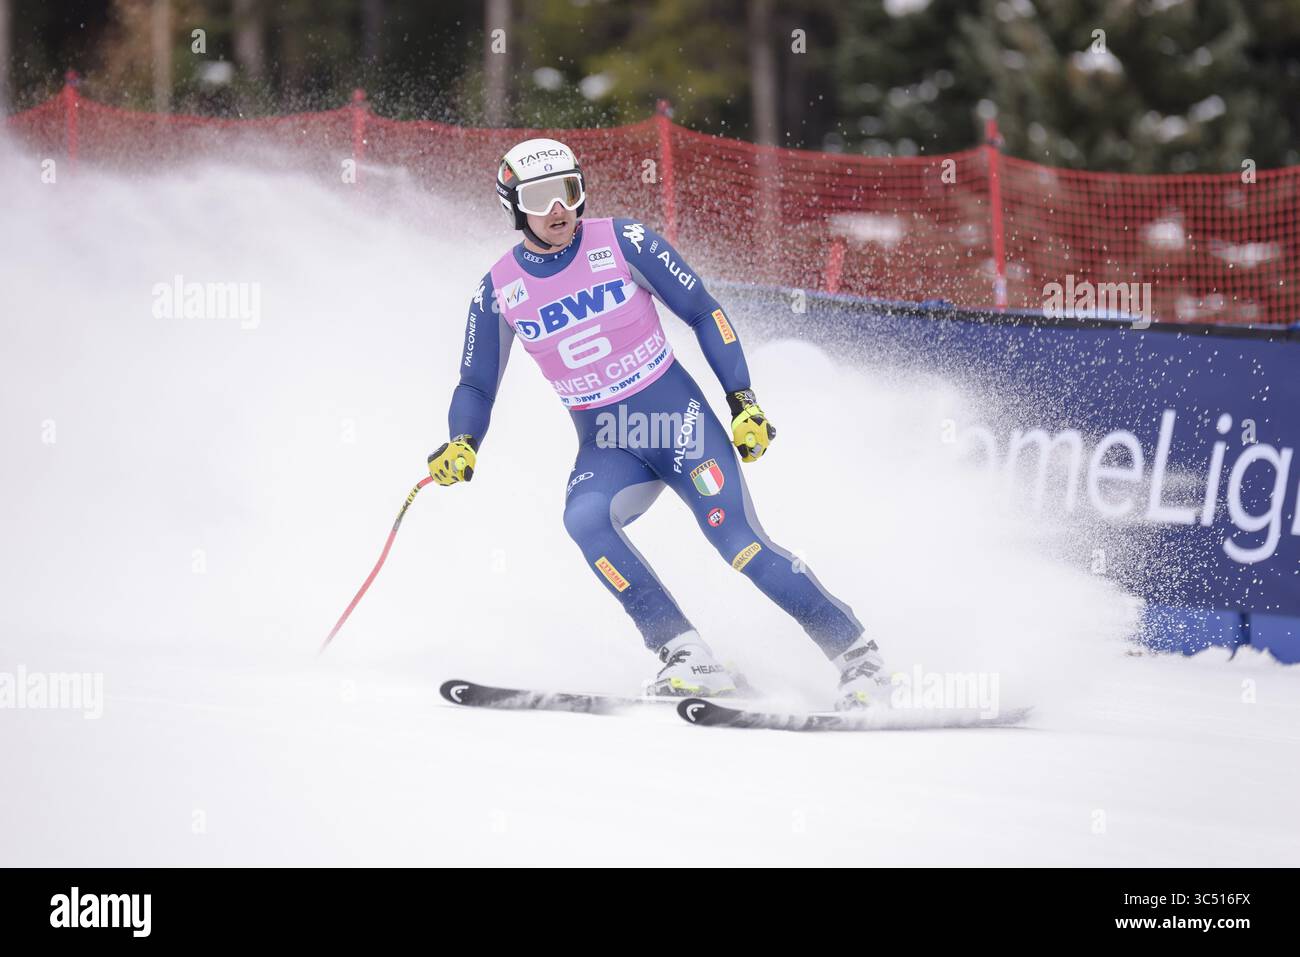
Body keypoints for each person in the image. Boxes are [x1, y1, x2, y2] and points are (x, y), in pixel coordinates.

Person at [429, 137, 887, 708]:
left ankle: (859, 656)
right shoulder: (499, 289)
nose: (558, 210)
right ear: (514, 207)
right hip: (610, 444)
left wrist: (742, 401)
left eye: (568, 192)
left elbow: (703, 311)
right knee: (585, 520)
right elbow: (476, 382)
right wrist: (463, 443)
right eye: (541, 197)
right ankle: (687, 656)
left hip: (678, 423)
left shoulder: (623, 240)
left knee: (739, 544)